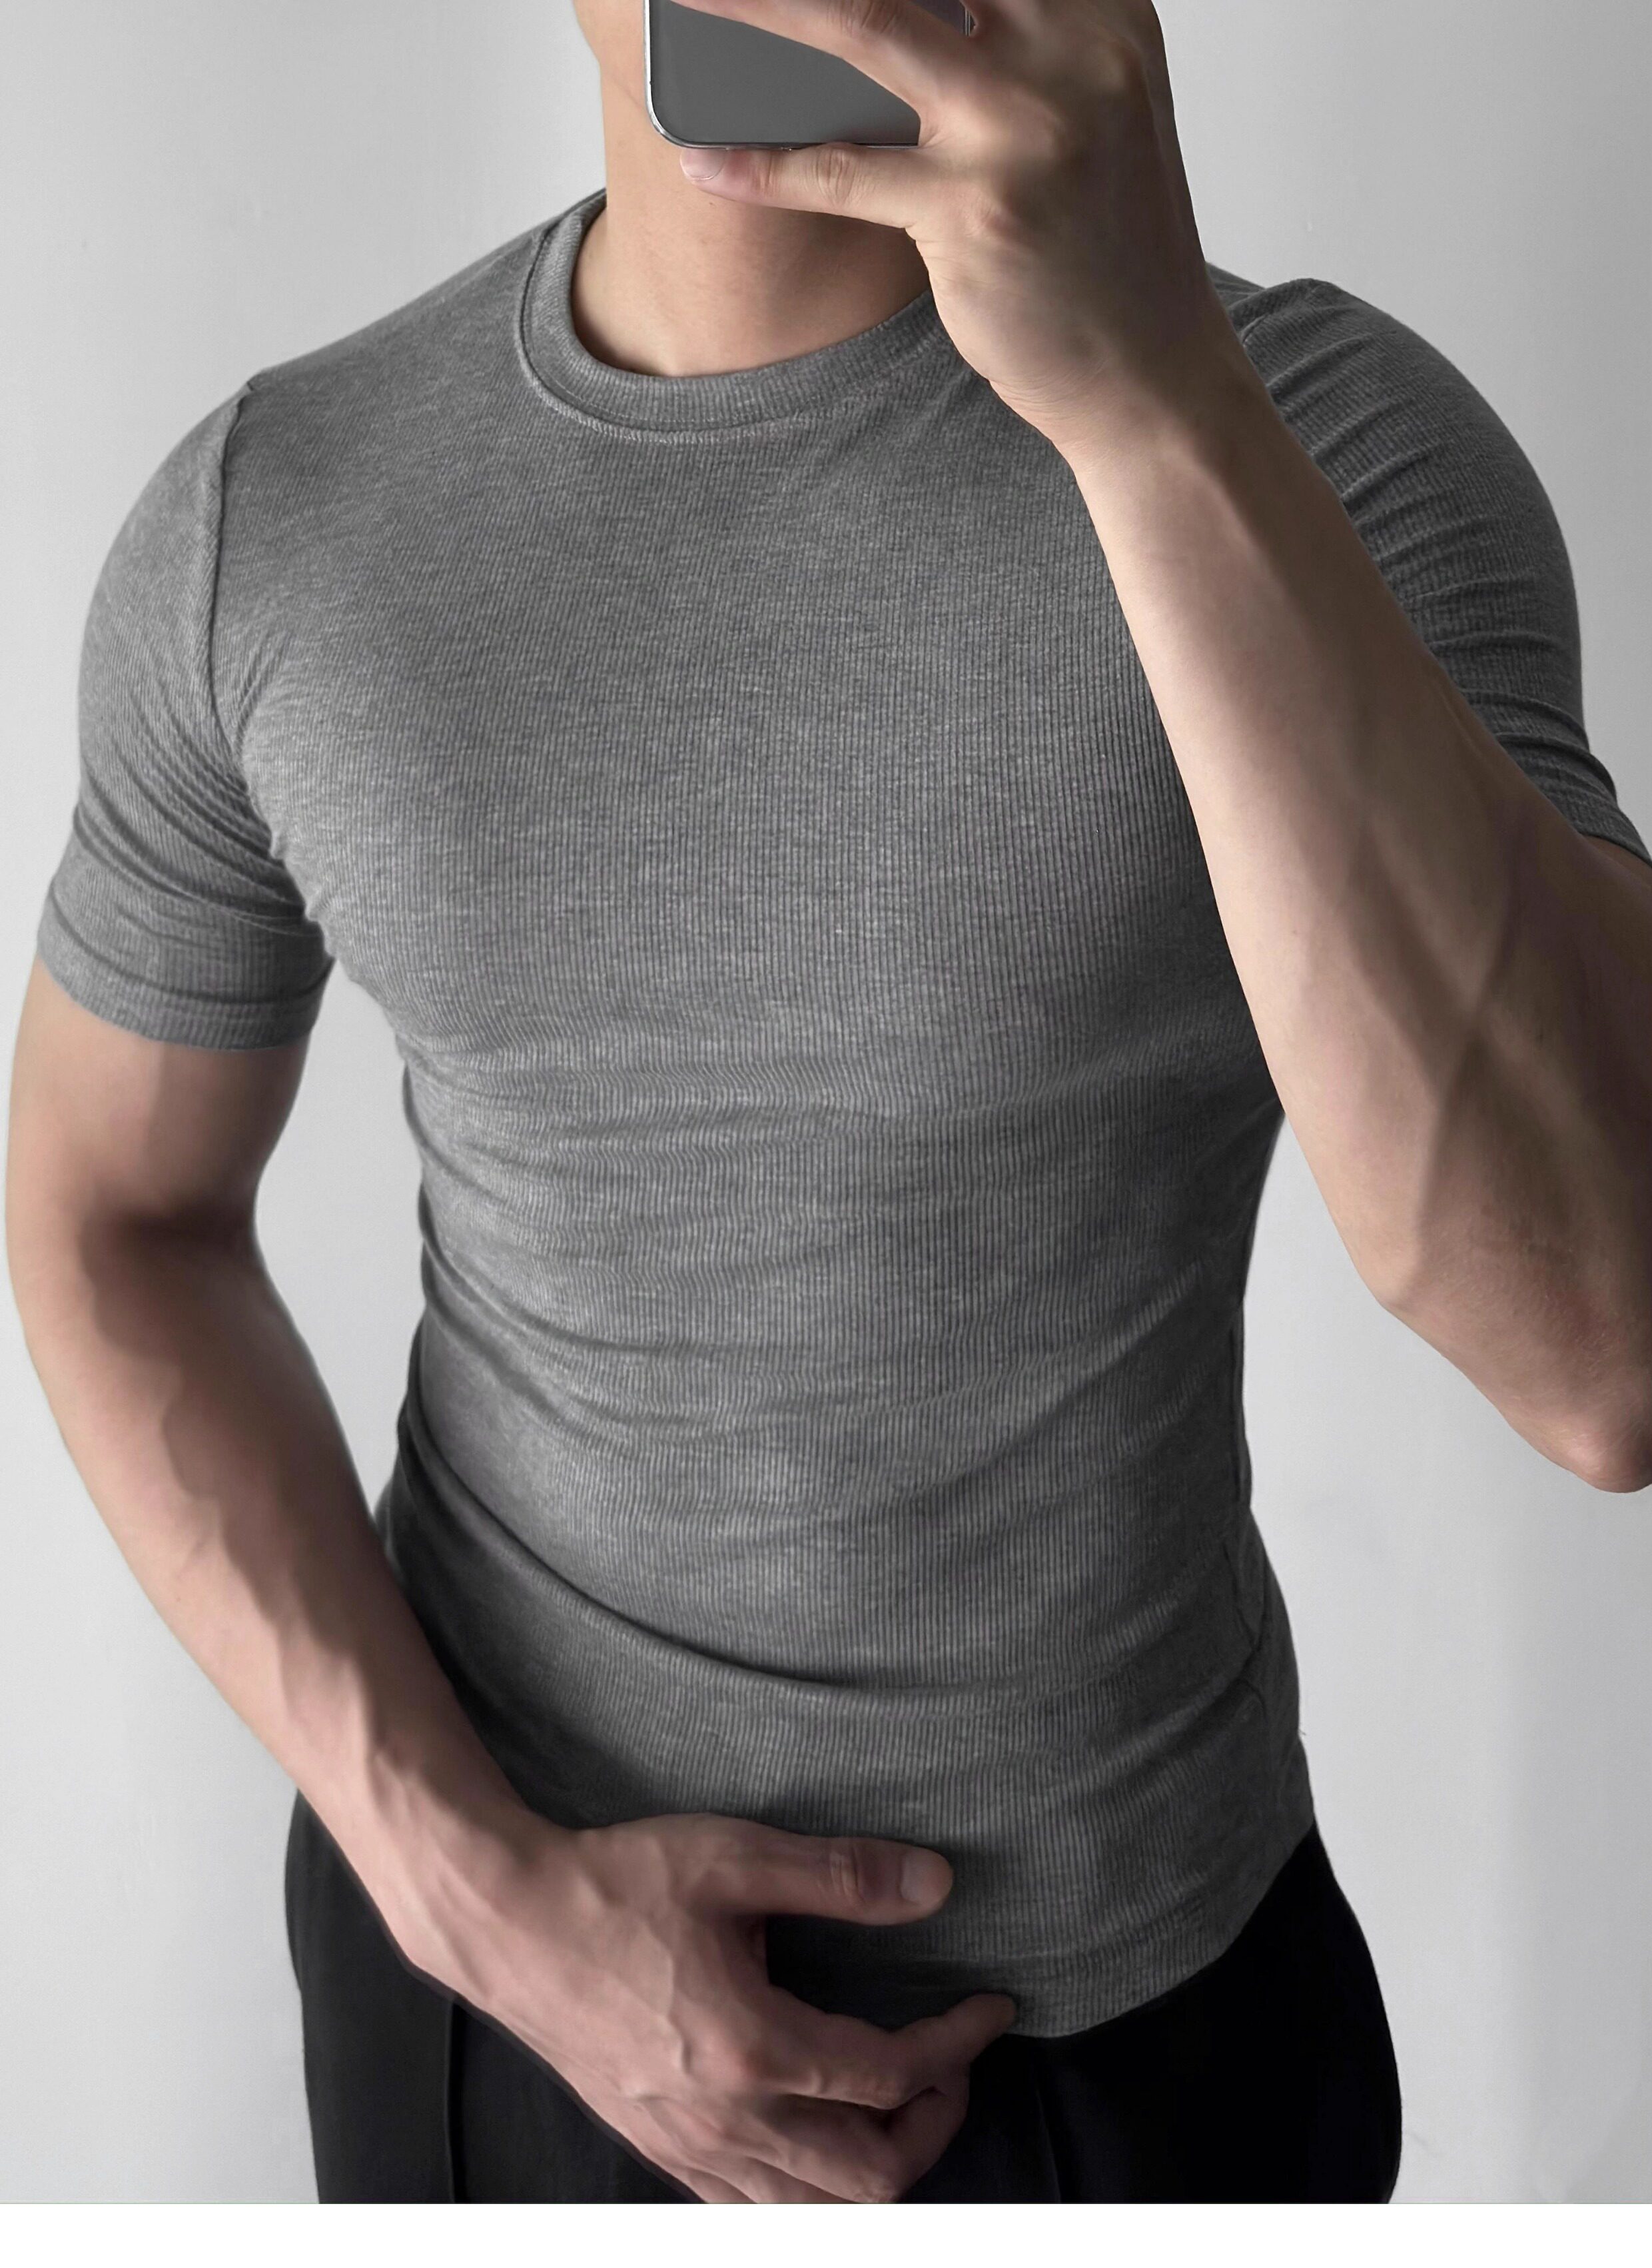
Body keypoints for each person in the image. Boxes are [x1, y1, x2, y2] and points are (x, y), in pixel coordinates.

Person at [9, 0, 1652, 2207]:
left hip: (1139, 2039)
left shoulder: (1329, 447)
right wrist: (468, 1884)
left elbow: (1603, 1343)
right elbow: (109, 1213)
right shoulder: (275, 519)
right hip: (493, 2004)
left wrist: (1151, 398)